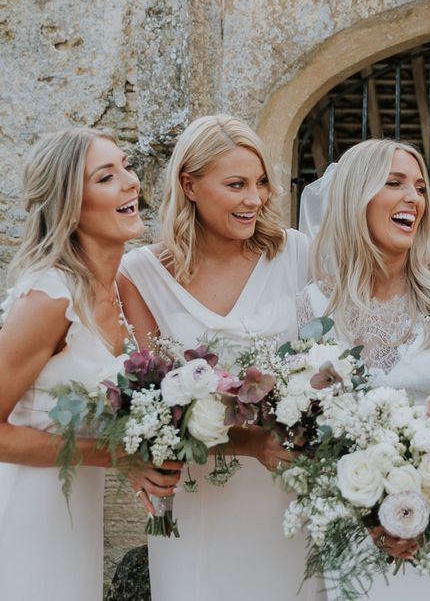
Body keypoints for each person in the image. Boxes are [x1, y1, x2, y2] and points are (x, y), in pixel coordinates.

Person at [118, 115, 313, 600]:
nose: (256, 199)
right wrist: (248, 442)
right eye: (237, 185)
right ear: (190, 184)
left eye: (261, 182)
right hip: (198, 495)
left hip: (287, 490)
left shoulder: (296, 254)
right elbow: (148, 409)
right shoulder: (139, 274)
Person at [298, 138, 430, 600]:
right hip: (356, 533)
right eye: (394, 183)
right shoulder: (313, 304)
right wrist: (372, 512)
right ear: (356, 197)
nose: (414, 198)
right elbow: (310, 430)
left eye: (420, 186)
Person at [0, 129, 179, 601]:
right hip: (22, 513)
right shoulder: (48, 298)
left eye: (126, 166)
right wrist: (117, 457)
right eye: (106, 176)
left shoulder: (122, 288)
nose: (130, 182)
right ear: (70, 204)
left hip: (75, 511)